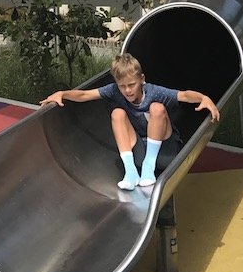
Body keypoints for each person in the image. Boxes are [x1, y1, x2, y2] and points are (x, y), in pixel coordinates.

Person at [40, 52, 220, 190]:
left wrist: (203, 98)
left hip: (166, 153)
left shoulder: (154, 92)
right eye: (122, 86)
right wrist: (62, 94)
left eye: (132, 85)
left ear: (142, 79)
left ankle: (148, 168)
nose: (127, 91)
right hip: (139, 151)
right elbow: (85, 95)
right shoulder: (114, 91)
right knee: (117, 113)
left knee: (157, 108)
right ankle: (131, 172)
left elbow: (184, 95)